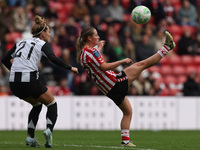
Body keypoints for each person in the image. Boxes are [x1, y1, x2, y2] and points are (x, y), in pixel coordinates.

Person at [76, 26, 175, 147]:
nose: (98, 37)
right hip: (115, 82)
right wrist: (121, 61)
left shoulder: (82, 54)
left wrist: (99, 48)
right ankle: (167, 47)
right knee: (142, 64)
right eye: (96, 35)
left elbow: (94, 61)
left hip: (108, 90)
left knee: (128, 112)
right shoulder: (92, 52)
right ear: (89, 37)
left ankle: (125, 141)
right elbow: (104, 66)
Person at [1, 15, 78, 148]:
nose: (50, 35)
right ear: (42, 34)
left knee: (37, 105)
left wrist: (14, 70)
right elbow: (52, 58)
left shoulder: (20, 42)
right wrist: (69, 67)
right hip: (29, 79)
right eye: (48, 32)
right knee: (52, 104)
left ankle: (30, 137)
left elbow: (4, 59)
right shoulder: (42, 44)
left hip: (14, 83)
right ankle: (48, 130)